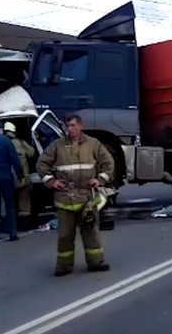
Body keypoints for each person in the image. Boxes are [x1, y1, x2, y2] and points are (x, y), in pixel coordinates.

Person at [37, 113, 114, 277]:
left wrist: (101, 179)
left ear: (80, 126)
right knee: (65, 235)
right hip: (64, 198)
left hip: (87, 198)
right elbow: (42, 164)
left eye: (73, 126)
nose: (70, 129)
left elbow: (108, 163)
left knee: (91, 232)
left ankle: (96, 263)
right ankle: (64, 266)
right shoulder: (57, 146)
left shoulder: (93, 144)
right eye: (67, 126)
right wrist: (51, 182)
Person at [4, 122, 36, 216]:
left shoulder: (1, 142)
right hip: (22, 178)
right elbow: (31, 153)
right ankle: (24, 223)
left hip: (6, 178)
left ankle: (11, 220)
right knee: (24, 201)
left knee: (9, 201)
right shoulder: (20, 142)